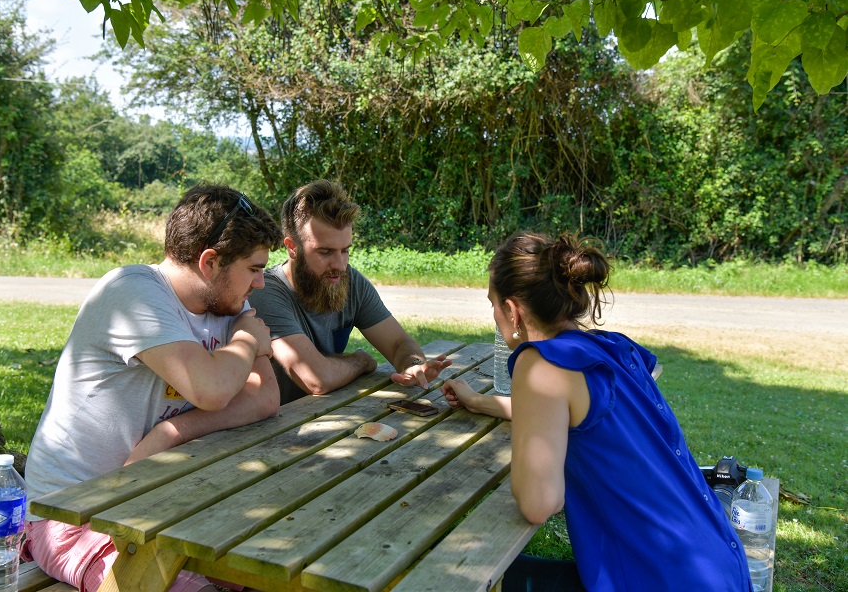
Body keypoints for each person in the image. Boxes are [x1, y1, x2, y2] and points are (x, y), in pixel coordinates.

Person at [440, 232, 751, 591]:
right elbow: (572, 416)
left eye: (492, 304)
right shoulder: (613, 349)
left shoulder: (539, 363)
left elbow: (539, 503)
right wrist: (477, 401)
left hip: (663, 580)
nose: (494, 315)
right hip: (718, 565)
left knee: (460, 572)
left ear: (512, 311)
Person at [23, 184, 282, 592]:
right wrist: (248, 341)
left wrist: (171, 432)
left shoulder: (229, 304)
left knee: (271, 570)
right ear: (210, 262)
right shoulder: (132, 291)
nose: (261, 284)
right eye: (254, 269)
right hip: (75, 514)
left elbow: (265, 396)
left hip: (161, 500)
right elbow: (212, 390)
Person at [249, 179, 451, 404]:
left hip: (327, 417)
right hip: (271, 432)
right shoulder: (265, 292)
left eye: (345, 251)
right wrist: (361, 360)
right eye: (325, 252)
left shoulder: (350, 282)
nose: (340, 265)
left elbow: (398, 343)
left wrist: (413, 365)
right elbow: (316, 379)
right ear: (292, 247)